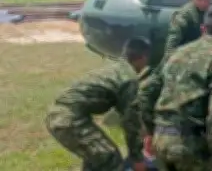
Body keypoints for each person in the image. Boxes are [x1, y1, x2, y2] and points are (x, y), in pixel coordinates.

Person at [139, 4, 212, 171]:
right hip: (191, 146)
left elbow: (145, 91)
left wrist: (150, 131)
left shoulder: (177, 53)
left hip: (161, 139)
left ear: (203, 28)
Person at [45, 37, 152, 171]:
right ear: (142, 58)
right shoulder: (129, 79)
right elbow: (130, 122)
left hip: (59, 114)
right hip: (69, 119)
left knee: (96, 159)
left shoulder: (117, 68)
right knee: (109, 158)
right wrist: (137, 158)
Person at [158, 0, 212, 69]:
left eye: (206, 0)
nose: (203, 3)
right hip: (181, 62)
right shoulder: (184, 16)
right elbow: (171, 47)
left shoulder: (209, 12)